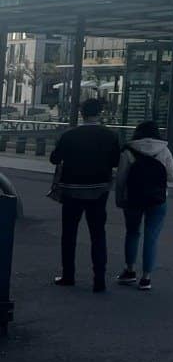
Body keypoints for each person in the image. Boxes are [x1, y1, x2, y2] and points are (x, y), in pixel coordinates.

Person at [49, 97, 122, 292]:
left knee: (69, 234)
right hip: (99, 189)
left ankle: (68, 275)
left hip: (72, 189)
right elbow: (116, 161)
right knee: (98, 234)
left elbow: (54, 158)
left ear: (82, 114)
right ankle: (99, 280)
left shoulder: (70, 135)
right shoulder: (110, 135)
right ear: (100, 114)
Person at [115, 120, 173, 291]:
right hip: (158, 199)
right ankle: (146, 277)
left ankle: (130, 270)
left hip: (133, 199)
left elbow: (121, 179)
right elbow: (172, 176)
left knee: (132, 233)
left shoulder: (128, 151)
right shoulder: (164, 150)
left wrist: (119, 199)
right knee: (151, 237)